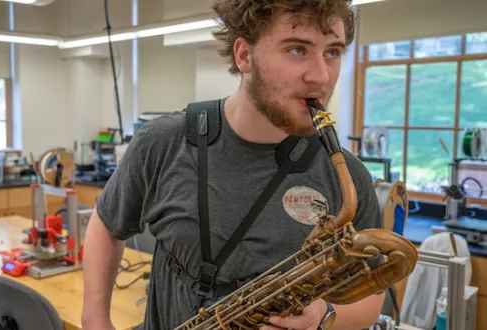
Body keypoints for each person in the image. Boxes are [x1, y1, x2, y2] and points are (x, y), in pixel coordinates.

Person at [81, 0, 386, 329]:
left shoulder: (348, 178)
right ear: (244, 56)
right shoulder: (163, 142)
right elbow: (107, 223)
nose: (322, 76)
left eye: (333, 52)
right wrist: (95, 319)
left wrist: (326, 316)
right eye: (298, 49)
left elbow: (371, 295)